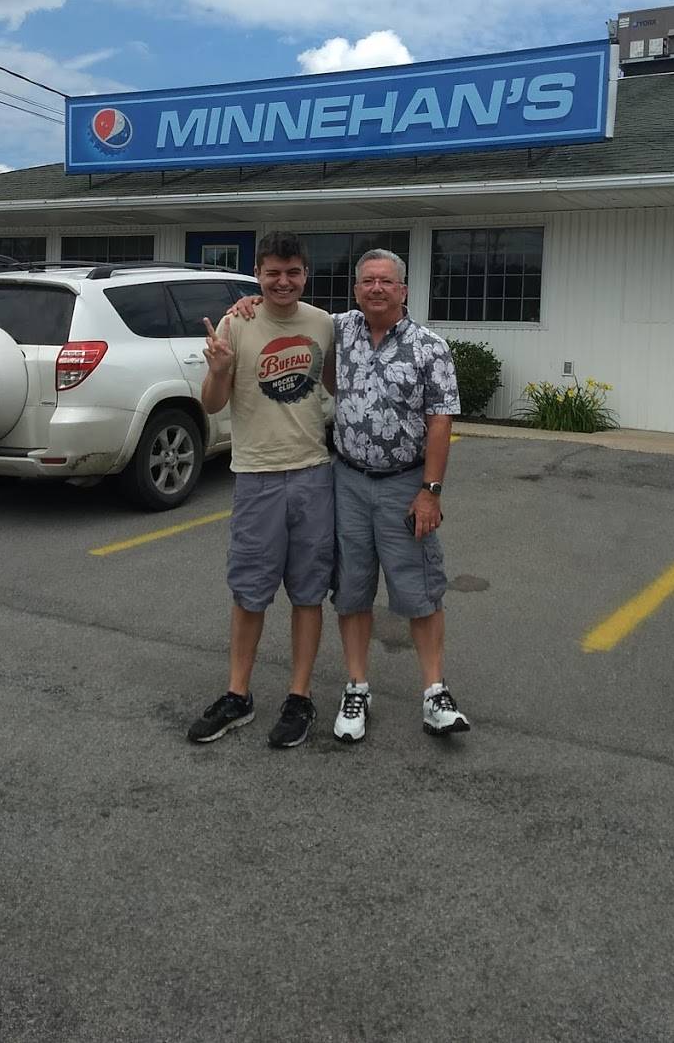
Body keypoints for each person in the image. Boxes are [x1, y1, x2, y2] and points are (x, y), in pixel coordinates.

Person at [230, 248, 469, 744]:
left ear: (403, 290)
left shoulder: (430, 347)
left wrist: (430, 491)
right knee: (352, 588)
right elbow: (282, 308)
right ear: (356, 290)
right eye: (367, 281)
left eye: (386, 281)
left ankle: (435, 692)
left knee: (419, 588)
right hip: (348, 481)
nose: (376, 288)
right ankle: (357, 686)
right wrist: (246, 302)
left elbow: (440, 422)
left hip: (405, 483)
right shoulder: (338, 330)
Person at [186, 230, 334, 749]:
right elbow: (211, 404)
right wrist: (218, 370)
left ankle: (299, 697)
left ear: (306, 274)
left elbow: (338, 385)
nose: (282, 281)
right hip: (255, 476)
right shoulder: (236, 323)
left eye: (292, 272)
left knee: (308, 593)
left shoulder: (324, 324)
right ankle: (238, 694)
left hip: (313, 473)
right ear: (257, 274)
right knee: (250, 593)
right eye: (272, 273)